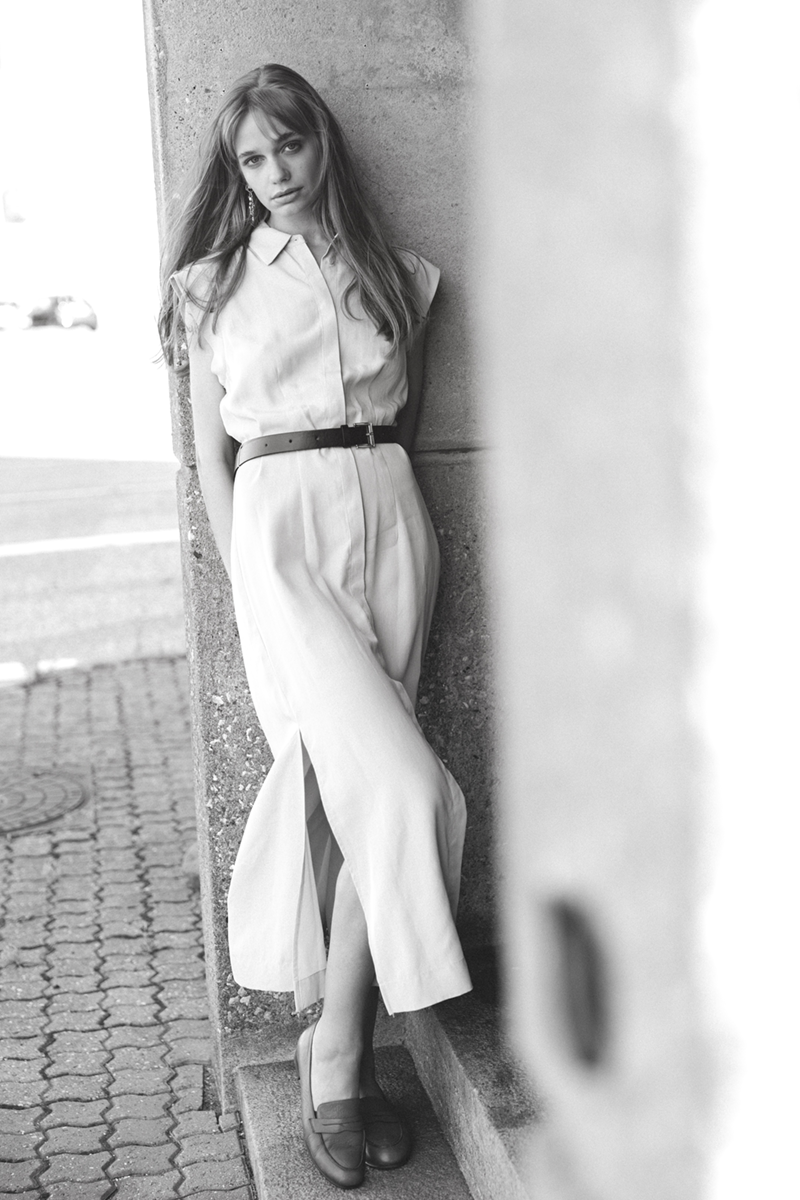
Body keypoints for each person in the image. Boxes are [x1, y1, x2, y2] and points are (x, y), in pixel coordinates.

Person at [159, 63, 472, 1189]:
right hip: (279, 537)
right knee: (403, 785)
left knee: (348, 797)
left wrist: (383, 509)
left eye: (288, 147)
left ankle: (338, 1055)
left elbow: (405, 421)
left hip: (389, 520)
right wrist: (251, 572)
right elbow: (210, 455)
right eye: (251, 159)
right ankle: (338, 1049)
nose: (275, 173)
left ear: (320, 144)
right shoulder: (210, 286)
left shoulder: (401, 277)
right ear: (234, 173)